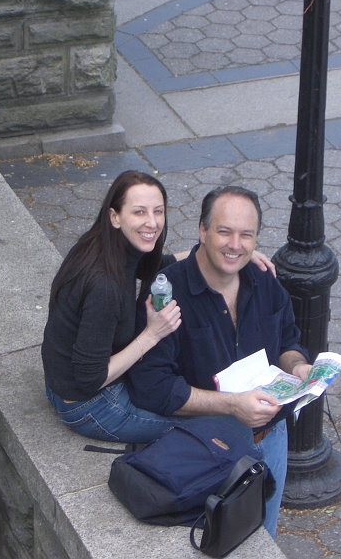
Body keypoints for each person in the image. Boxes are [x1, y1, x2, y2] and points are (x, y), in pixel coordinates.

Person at [127, 185, 310, 538]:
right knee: (217, 539)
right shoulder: (167, 294)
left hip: (271, 435)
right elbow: (154, 389)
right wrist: (232, 406)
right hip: (209, 448)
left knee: (263, 538)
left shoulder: (263, 279)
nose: (235, 245)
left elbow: (288, 339)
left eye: (246, 235)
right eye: (224, 231)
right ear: (202, 231)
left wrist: (298, 366)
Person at [41, 171, 275, 444]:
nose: (152, 222)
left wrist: (233, 253)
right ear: (115, 216)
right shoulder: (104, 287)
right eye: (139, 212)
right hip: (89, 404)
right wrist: (152, 334)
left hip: (58, 383)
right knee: (228, 426)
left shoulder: (106, 245)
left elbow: (158, 263)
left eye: (158, 211)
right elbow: (89, 380)